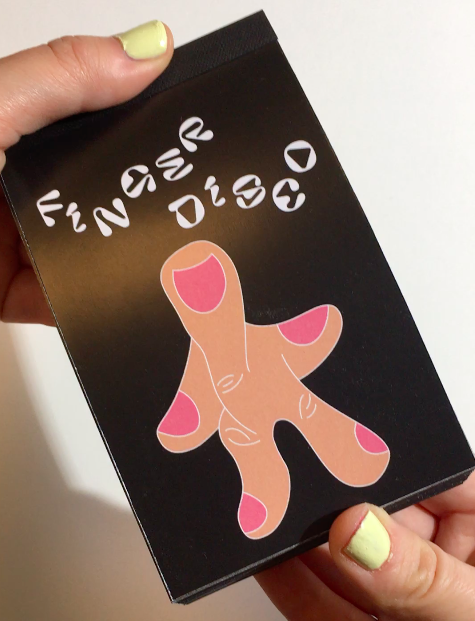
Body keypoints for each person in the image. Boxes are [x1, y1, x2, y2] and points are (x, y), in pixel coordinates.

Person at [1, 20, 474, 621]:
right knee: (260, 457)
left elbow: (300, 338)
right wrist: (194, 411)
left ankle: (317, 445)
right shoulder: (206, 358)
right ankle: (271, 473)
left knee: (309, 421)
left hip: (281, 397)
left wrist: (303, 335)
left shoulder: (231, 349)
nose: (204, 303)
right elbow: (190, 413)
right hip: (250, 420)